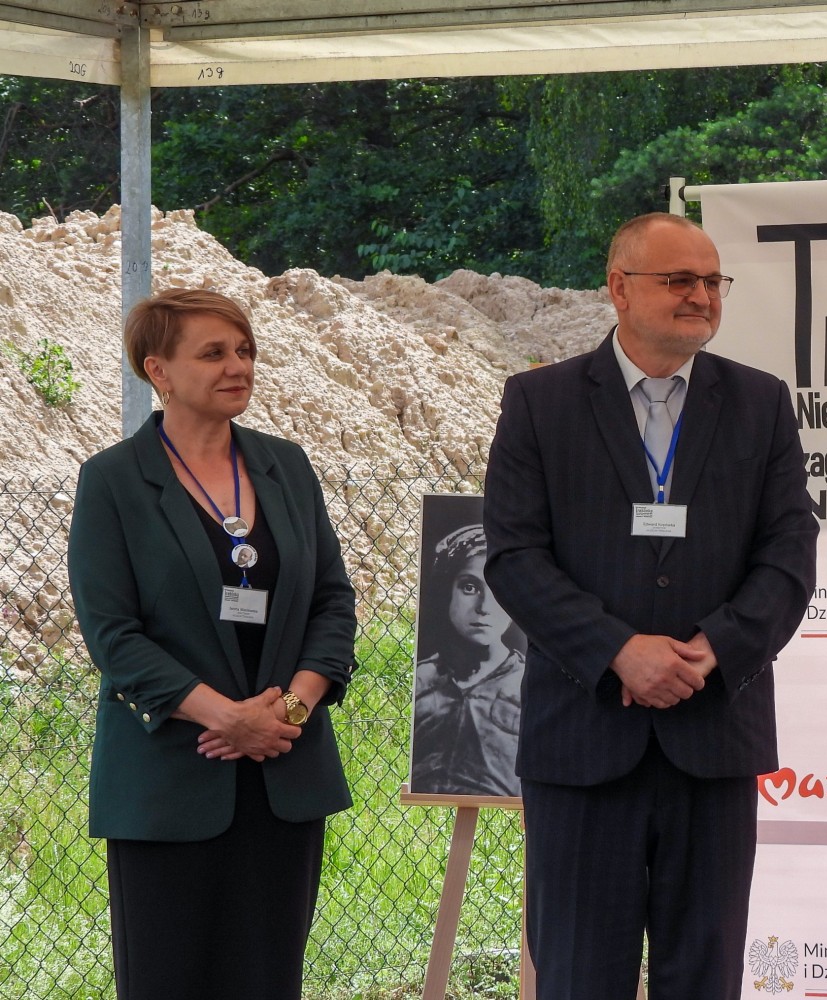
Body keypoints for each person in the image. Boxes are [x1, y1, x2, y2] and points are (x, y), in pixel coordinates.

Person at [483, 212, 819, 999]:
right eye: (679, 280)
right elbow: (515, 556)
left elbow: (789, 552)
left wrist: (715, 649)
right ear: (620, 288)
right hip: (584, 742)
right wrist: (617, 651)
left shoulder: (760, 403)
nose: (701, 295)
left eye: (711, 281)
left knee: (704, 974)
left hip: (713, 737)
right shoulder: (541, 403)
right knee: (577, 975)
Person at [68, 288, 357, 1000]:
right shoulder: (112, 480)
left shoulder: (287, 467)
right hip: (170, 781)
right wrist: (227, 718)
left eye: (245, 350)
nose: (238, 366)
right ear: (157, 369)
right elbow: (113, 635)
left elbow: (332, 603)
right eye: (214, 353)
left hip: (282, 772)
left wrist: (288, 711)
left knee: (267, 979)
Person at [411, 522, 524, 797]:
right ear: (447, 591)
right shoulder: (421, 680)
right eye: (470, 587)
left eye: (498, 590)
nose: (484, 607)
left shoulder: (527, 683)